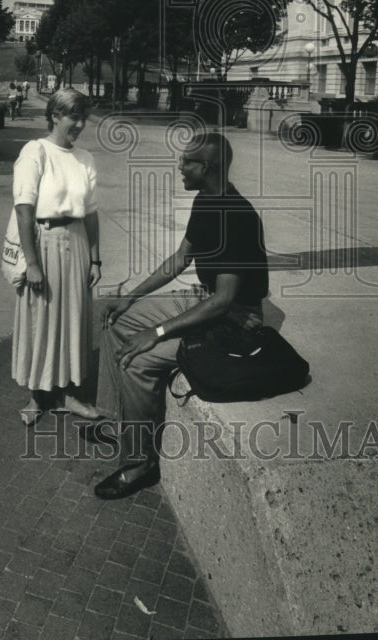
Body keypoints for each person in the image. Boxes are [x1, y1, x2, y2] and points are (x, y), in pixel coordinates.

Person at [86, 130, 268, 500]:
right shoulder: (206, 200)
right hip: (206, 299)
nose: (180, 167)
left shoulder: (236, 216)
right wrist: (131, 296)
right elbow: (180, 259)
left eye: (187, 162)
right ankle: (115, 419)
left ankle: (141, 464)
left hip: (233, 322)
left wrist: (156, 332)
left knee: (137, 360)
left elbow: (223, 301)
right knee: (112, 318)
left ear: (209, 166)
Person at [12, 87, 104, 425]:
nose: (79, 124)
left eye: (83, 117)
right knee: (42, 318)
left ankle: (66, 395)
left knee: (73, 319)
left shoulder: (85, 159)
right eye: (72, 117)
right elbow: (24, 210)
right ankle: (37, 396)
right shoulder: (35, 152)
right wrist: (32, 263)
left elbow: (91, 213)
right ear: (54, 116)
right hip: (44, 241)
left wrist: (95, 259)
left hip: (77, 242)